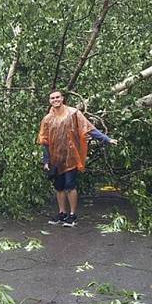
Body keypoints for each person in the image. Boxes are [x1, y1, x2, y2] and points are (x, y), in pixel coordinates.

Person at [37, 91, 117, 227]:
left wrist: (107, 139)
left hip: (72, 157)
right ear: (49, 101)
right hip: (56, 158)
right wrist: (46, 160)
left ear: (62, 99)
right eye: (52, 98)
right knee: (59, 187)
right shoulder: (47, 119)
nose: (55, 100)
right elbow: (44, 140)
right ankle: (62, 213)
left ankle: (73, 215)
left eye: (57, 97)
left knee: (70, 185)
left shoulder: (73, 113)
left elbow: (89, 128)